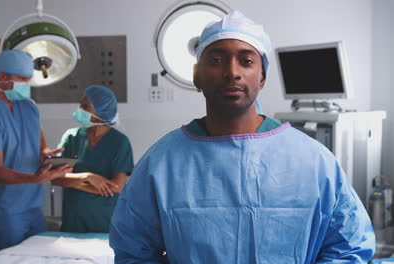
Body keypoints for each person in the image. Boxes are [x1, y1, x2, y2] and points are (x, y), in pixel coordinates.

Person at [109, 11, 375, 263]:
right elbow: (133, 251)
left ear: (262, 78)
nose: (232, 72)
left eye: (246, 61)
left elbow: (348, 246)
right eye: (215, 60)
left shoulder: (314, 161)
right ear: (196, 76)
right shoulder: (161, 164)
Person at [0, 49, 72, 254]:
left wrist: (45, 151)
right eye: (21, 79)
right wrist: (36, 179)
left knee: (38, 256)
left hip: (32, 204)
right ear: (3, 76)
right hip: (6, 208)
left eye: (28, 79)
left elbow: (38, 137)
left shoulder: (28, 106)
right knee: (11, 258)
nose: (26, 85)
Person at [52, 85, 134, 233]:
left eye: (85, 106)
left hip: (103, 220)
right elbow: (55, 178)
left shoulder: (119, 142)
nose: (79, 109)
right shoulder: (72, 137)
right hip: (73, 218)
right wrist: (88, 177)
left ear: (100, 112)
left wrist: (73, 182)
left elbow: (116, 187)